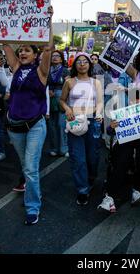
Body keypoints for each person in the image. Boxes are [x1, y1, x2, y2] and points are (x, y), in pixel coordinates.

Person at [3, 6, 54, 225]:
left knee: (31, 169)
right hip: (14, 126)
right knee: (26, 167)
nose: (22, 53)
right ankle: (33, 193)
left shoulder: (41, 71)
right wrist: (4, 15)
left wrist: (49, 19)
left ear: (35, 55)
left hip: (35, 125)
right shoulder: (14, 68)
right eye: (20, 49)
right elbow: (5, 43)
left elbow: (49, 49)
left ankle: (33, 207)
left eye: (27, 50)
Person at [97, 47, 140, 213]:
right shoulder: (135, 75)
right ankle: (109, 197)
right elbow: (123, 61)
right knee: (121, 156)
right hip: (130, 120)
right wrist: (117, 45)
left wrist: (128, 91)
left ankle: (137, 190)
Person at [60, 53, 104, 206]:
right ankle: (82, 190)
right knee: (78, 158)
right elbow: (62, 100)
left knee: (93, 157)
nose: (82, 64)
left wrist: (99, 113)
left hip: (93, 122)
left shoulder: (96, 82)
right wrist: (67, 109)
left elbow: (100, 102)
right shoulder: (69, 82)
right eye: (79, 61)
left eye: (85, 61)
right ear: (74, 65)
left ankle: (91, 179)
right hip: (75, 123)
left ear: (90, 65)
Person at [47, 50, 70, 157]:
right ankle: (54, 148)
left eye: (57, 56)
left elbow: (68, 85)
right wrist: (48, 90)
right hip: (50, 98)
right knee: (51, 125)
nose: (55, 58)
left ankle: (64, 148)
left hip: (61, 97)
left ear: (61, 59)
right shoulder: (47, 70)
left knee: (61, 124)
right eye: (53, 56)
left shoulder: (65, 70)